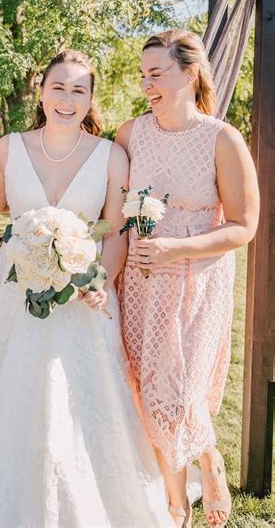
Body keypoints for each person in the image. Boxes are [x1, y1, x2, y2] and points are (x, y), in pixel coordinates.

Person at [0, 49, 173, 527]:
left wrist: (100, 283)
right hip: (16, 296)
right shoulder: (8, 148)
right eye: (58, 87)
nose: (67, 99)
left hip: (82, 298)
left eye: (78, 90)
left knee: (78, 398)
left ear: (91, 99)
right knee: (12, 392)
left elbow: (114, 229)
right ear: (41, 91)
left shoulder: (112, 155)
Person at [116, 29, 260, 528]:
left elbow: (245, 226)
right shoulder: (130, 134)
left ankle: (207, 465)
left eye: (156, 74)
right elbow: (115, 208)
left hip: (198, 279)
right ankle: (176, 504)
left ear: (190, 72)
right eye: (143, 75)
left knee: (181, 389)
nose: (146, 84)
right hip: (141, 279)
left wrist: (178, 248)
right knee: (146, 387)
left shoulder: (222, 138)